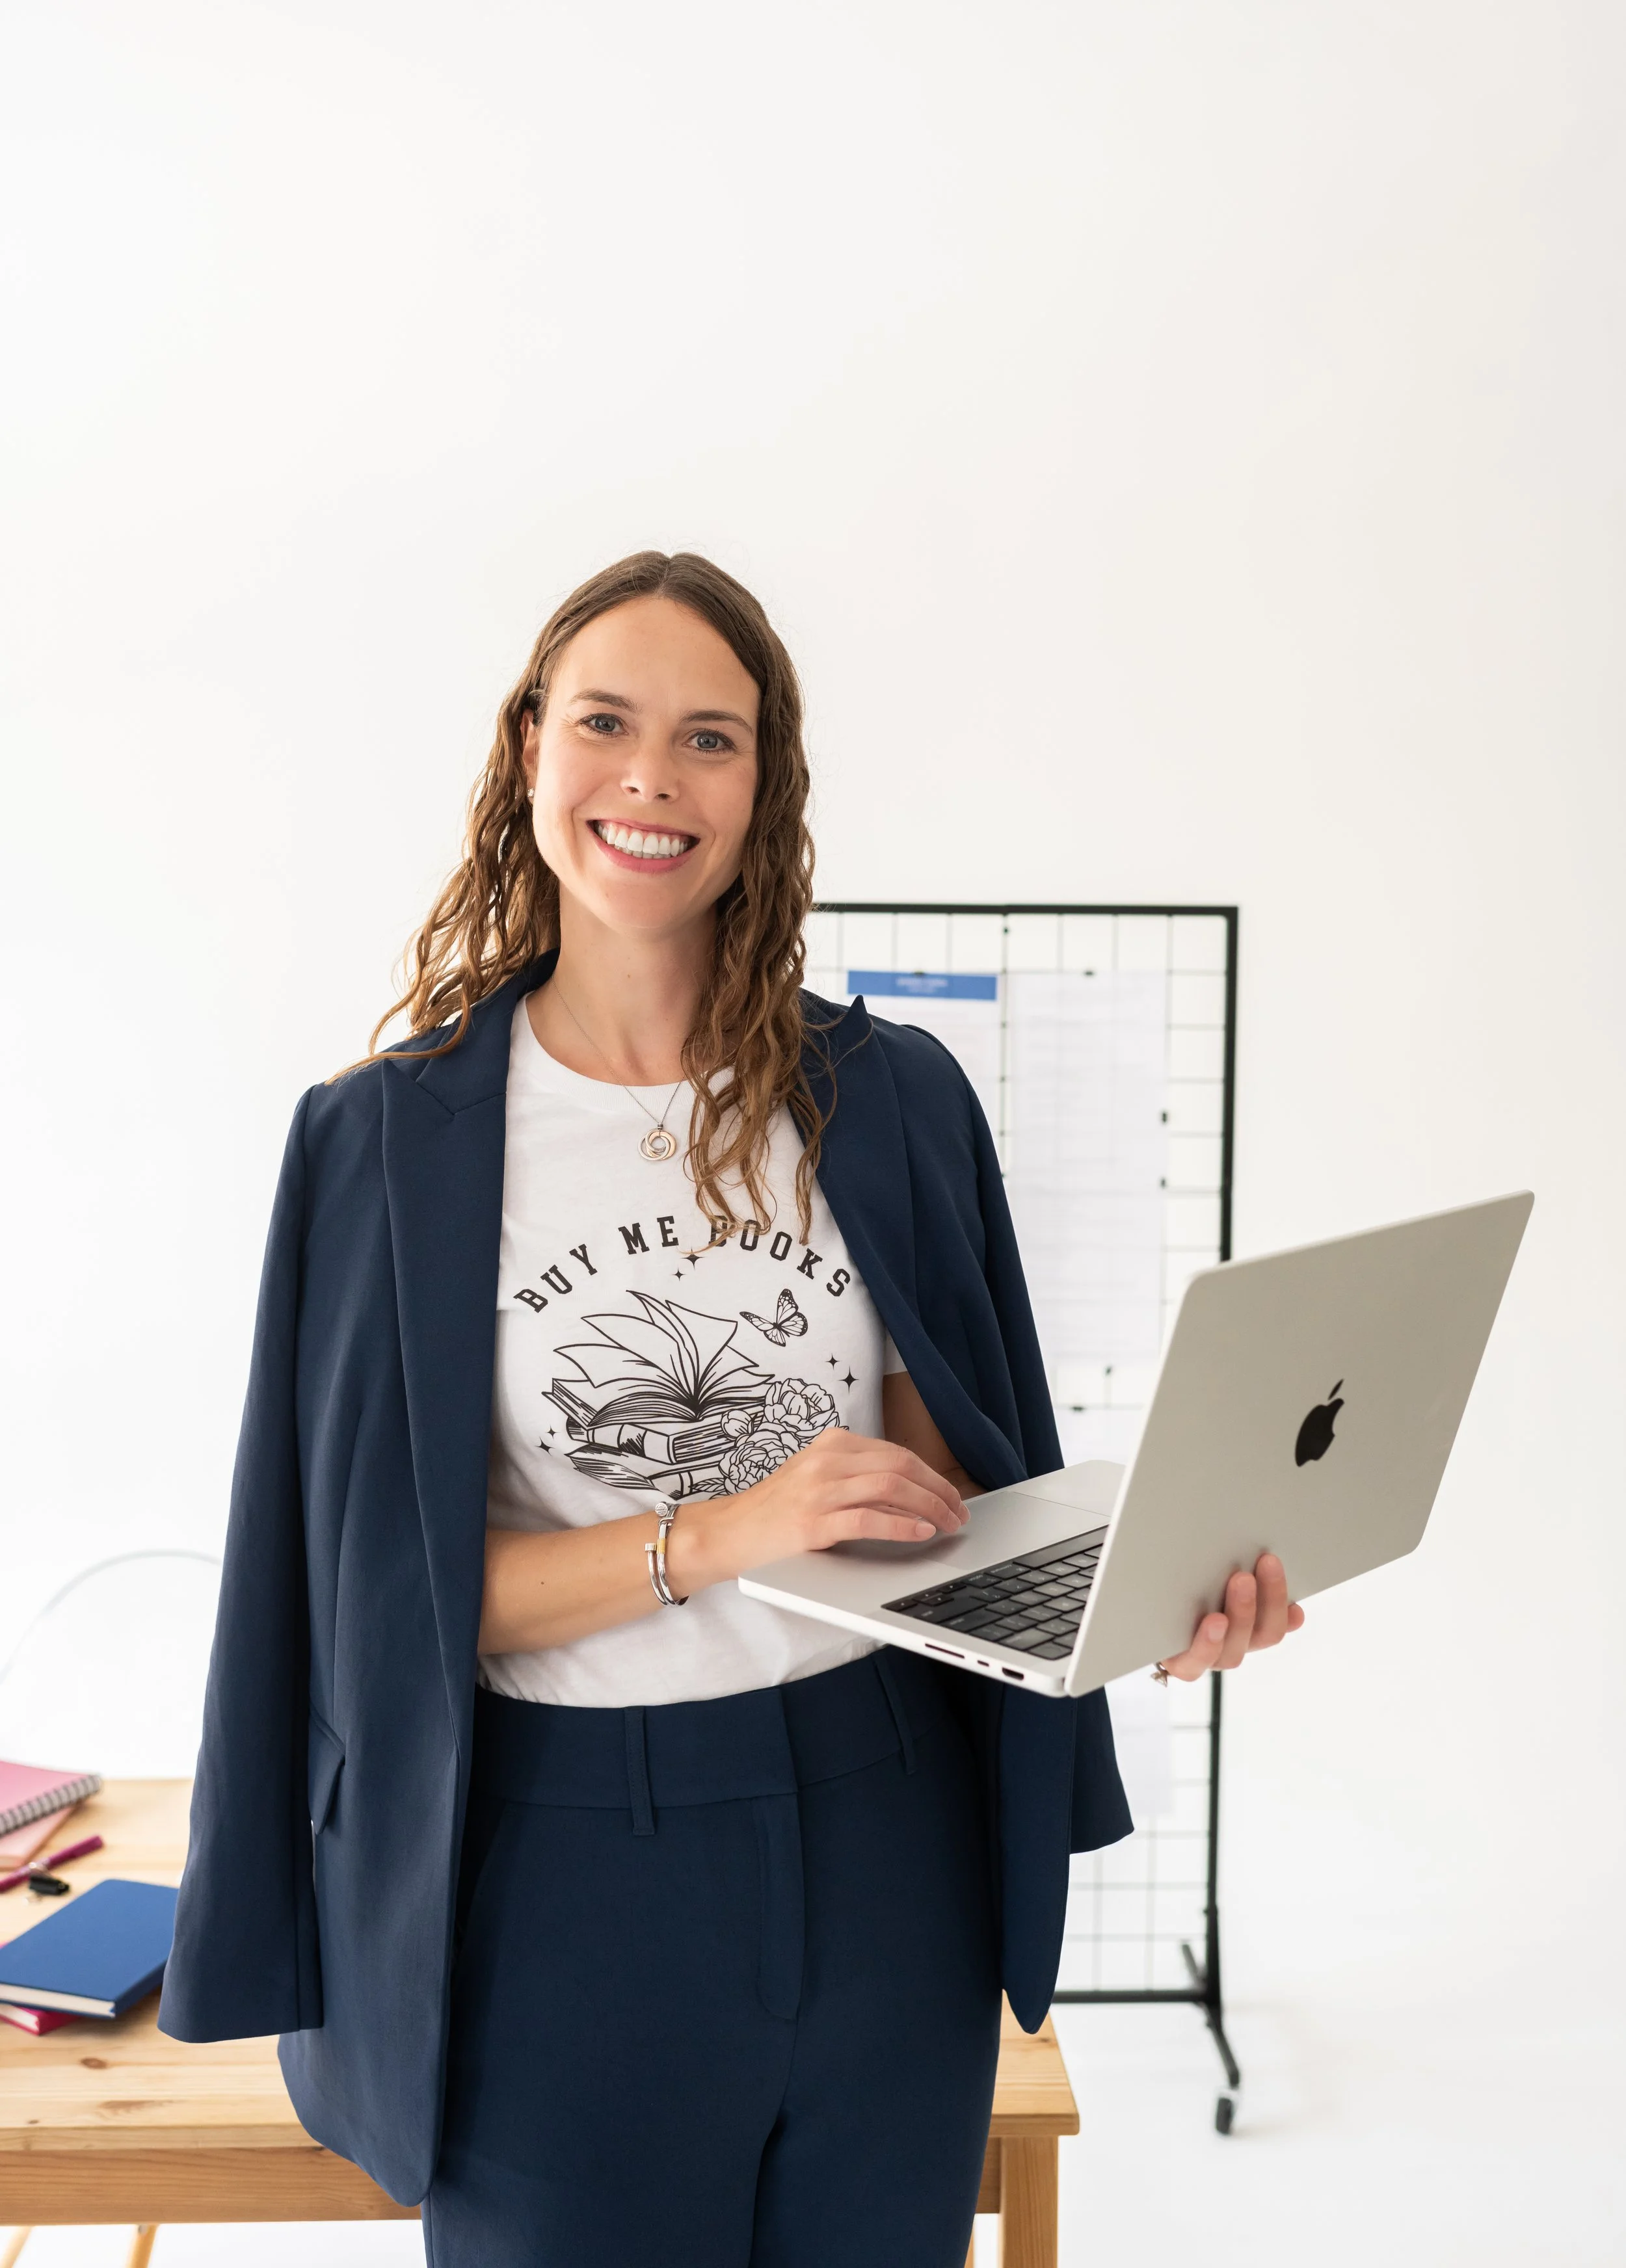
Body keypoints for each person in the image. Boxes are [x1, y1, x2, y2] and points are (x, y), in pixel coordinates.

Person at [159, 551, 1301, 2267]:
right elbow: (383, 1613)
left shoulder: (889, 1097)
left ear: (763, 793)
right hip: (557, 1879)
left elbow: (944, 1505)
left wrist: (1143, 1599)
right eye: (606, 723)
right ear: (525, 750)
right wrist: (724, 1533)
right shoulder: (386, 1145)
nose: (651, 778)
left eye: (711, 739)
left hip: (883, 1836)